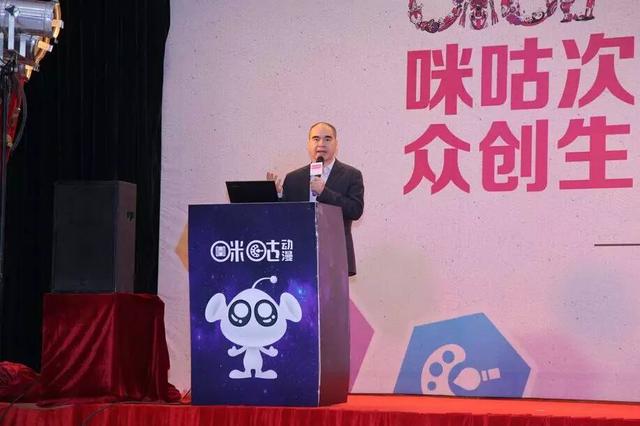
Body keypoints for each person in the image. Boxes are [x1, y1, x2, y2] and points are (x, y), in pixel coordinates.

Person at [267, 122, 364, 276]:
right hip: (300, 254)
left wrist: (324, 192)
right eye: (316, 139)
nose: (321, 144)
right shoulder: (293, 178)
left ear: (336, 144)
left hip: (335, 255)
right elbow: (285, 217)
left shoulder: (351, 175)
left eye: (327, 139)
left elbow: (355, 210)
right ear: (309, 143)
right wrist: (275, 195)